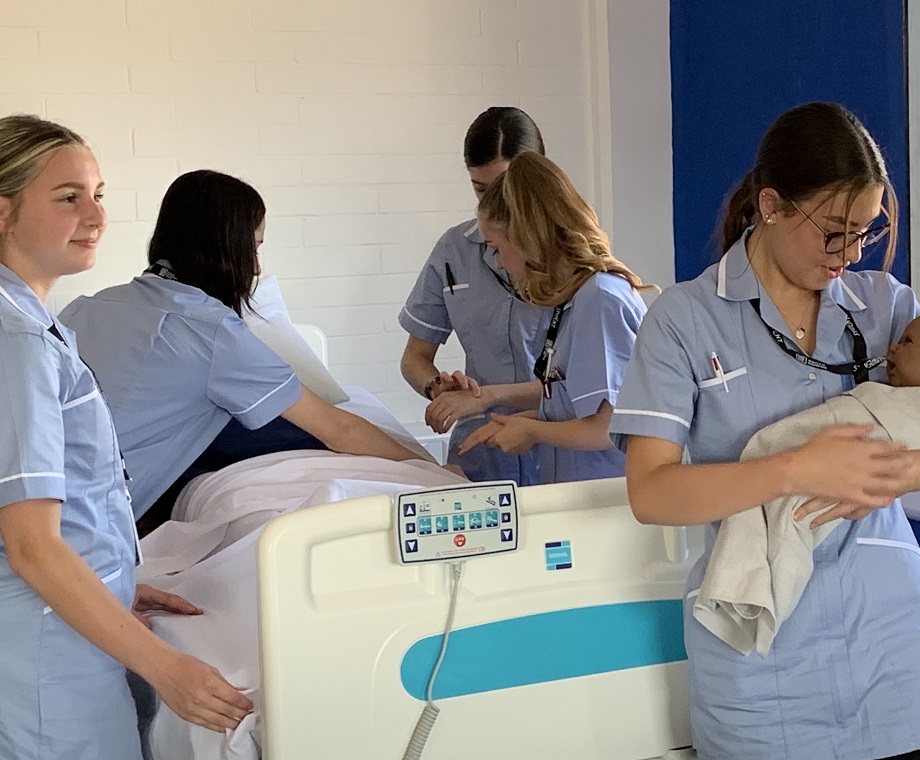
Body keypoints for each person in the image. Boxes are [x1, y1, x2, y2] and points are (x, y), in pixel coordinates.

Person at [609, 101, 920, 760]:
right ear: (772, 205)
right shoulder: (684, 319)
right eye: (834, 232)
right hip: (762, 660)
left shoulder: (886, 308)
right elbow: (651, 492)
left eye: (865, 232)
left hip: (894, 649)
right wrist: (793, 470)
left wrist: (907, 471)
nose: (851, 253)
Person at [0, 114, 251, 760]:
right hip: (49, 658)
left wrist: (115, 582)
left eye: (98, 194)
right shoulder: (17, 341)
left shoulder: (39, 322)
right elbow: (31, 546)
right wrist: (168, 668)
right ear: (3, 213)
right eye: (68, 198)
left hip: (63, 625)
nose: (95, 216)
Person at [59, 170, 429, 532]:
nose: (255, 268)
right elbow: (341, 429)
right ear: (222, 247)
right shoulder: (211, 331)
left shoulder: (83, 309)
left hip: (40, 508)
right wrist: (431, 471)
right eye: (252, 249)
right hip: (86, 534)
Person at [696, 312, 920, 656]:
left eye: (907, 342)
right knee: (761, 489)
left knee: (792, 517)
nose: (893, 348)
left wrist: (893, 473)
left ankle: (757, 602)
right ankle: (744, 593)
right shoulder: (891, 393)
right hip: (804, 455)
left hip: (841, 484)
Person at [453, 152, 650, 482]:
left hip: (606, 494)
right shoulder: (574, 299)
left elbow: (608, 428)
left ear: (525, 237)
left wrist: (532, 431)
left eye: (496, 248)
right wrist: (524, 422)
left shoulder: (600, 299)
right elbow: (573, 406)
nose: (498, 263)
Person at [400, 106, 551, 484]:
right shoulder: (454, 250)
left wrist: (490, 396)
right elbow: (415, 357)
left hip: (558, 451)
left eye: (503, 187)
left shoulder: (578, 264)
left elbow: (587, 392)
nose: (492, 202)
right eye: (481, 190)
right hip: (481, 452)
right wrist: (438, 388)